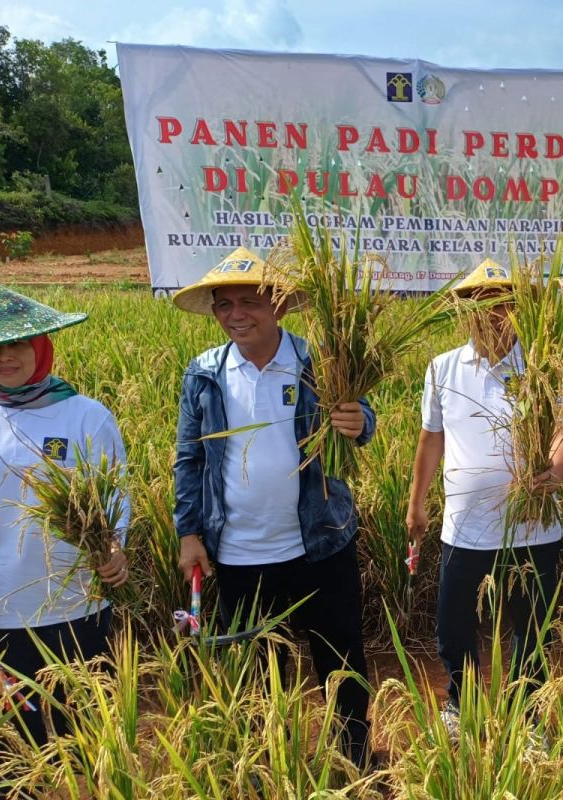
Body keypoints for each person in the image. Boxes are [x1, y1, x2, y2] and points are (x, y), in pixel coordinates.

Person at [172, 248, 374, 765]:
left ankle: (353, 753)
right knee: (259, 672)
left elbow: (361, 418)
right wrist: (188, 533)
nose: (236, 314)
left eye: (248, 302)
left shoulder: (316, 362)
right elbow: (189, 458)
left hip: (319, 543)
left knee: (340, 658)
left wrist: (358, 421)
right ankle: (269, 764)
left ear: (278, 306)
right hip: (239, 553)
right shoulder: (205, 373)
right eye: (224, 305)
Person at [0, 283, 129, 787]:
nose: (6, 358)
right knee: (10, 747)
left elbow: (113, 499)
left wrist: (114, 546)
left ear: (41, 347)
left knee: (87, 739)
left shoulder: (86, 415)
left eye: (18, 344)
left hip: (78, 602)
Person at [406, 259, 563, 731]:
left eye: (503, 304)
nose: (491, 315)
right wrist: (417, 502)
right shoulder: (443, 368)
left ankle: (529, 714)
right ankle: (459, 703)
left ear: (519, 310)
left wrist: (556, 469)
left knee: (531, 626)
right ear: (463, 313)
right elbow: (431, 438)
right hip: (465, 526)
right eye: (478, 305)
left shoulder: (542, 365)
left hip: (532, 526)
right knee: (454, 623)